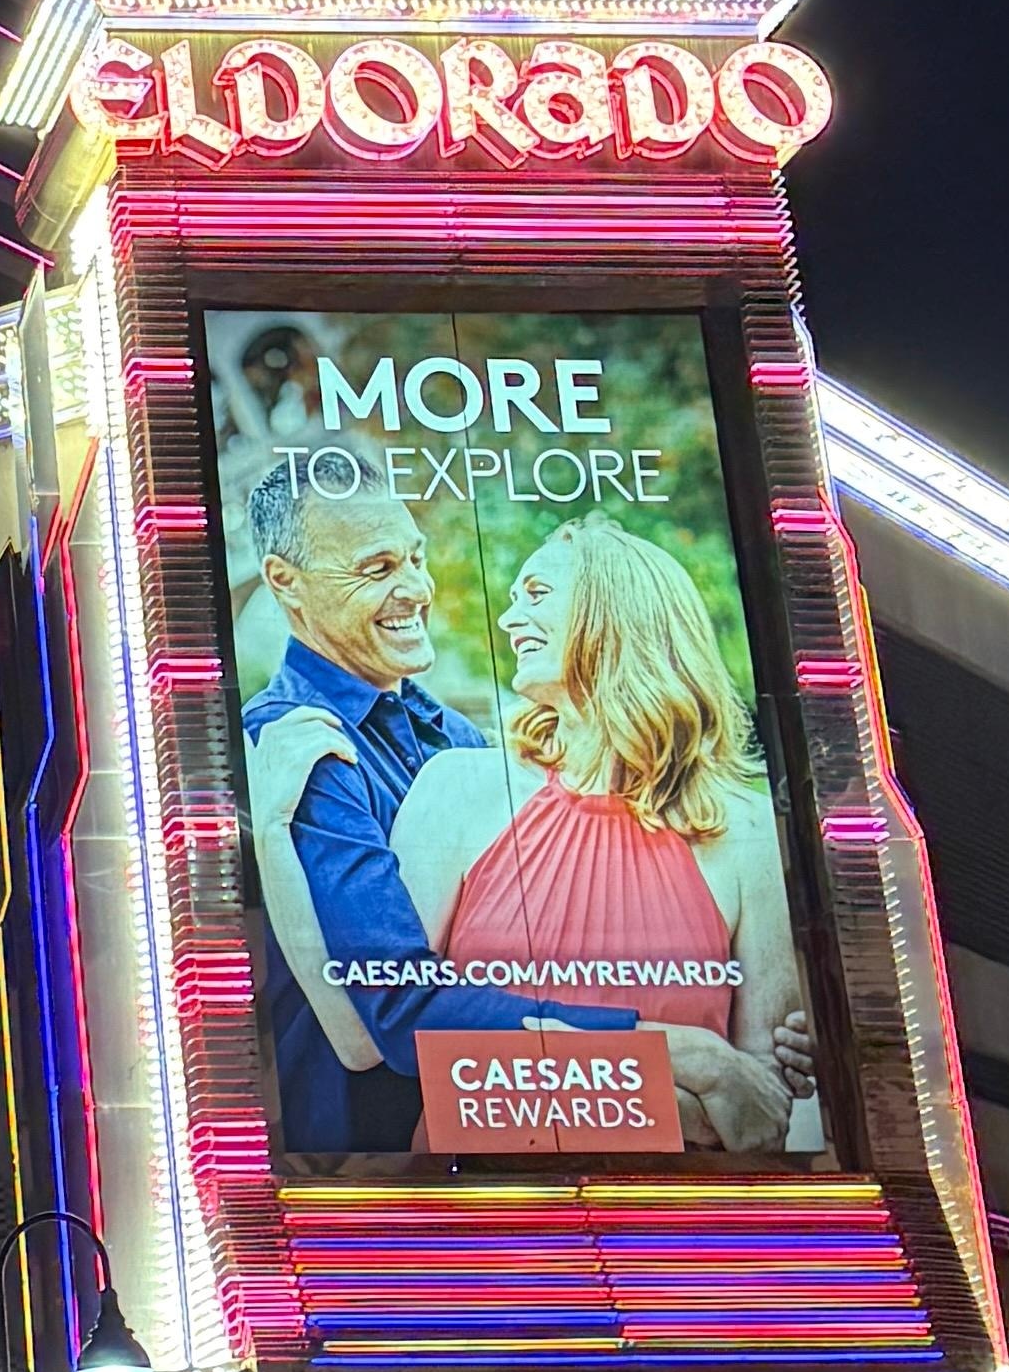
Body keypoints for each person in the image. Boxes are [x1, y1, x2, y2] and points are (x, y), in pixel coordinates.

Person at [389, 521, 811, 1153]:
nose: (509, 621)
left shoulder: (740, 830)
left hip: (678, 1232)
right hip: (482, 1221)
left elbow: (756, 1118)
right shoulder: (458, 790)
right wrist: (685, 1069)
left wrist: (528, 1080)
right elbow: (399, 1030)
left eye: (534, 593)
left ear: (613, 609)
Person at [235, 446, 536, 1160]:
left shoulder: (456, 734)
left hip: (508, 1149)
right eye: (377, 569)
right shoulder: (292, 743)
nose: (415, 589)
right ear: (287, 583)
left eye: (415, 558)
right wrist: (654, 1042)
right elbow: (386, 1015)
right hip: (375, 1185)